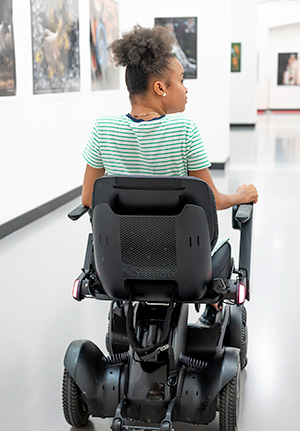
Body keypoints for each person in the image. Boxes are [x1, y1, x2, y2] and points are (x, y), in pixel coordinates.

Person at [81, 25, 258, 326]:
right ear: (161, 89)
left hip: (120, 262)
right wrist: (243, 195)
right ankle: (213, 310)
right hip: (183, 266)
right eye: (181, 80)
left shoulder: (103, 129)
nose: (186, 88)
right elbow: (212, 201)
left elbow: (88, 198)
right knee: (224, 247)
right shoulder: (184, 130)